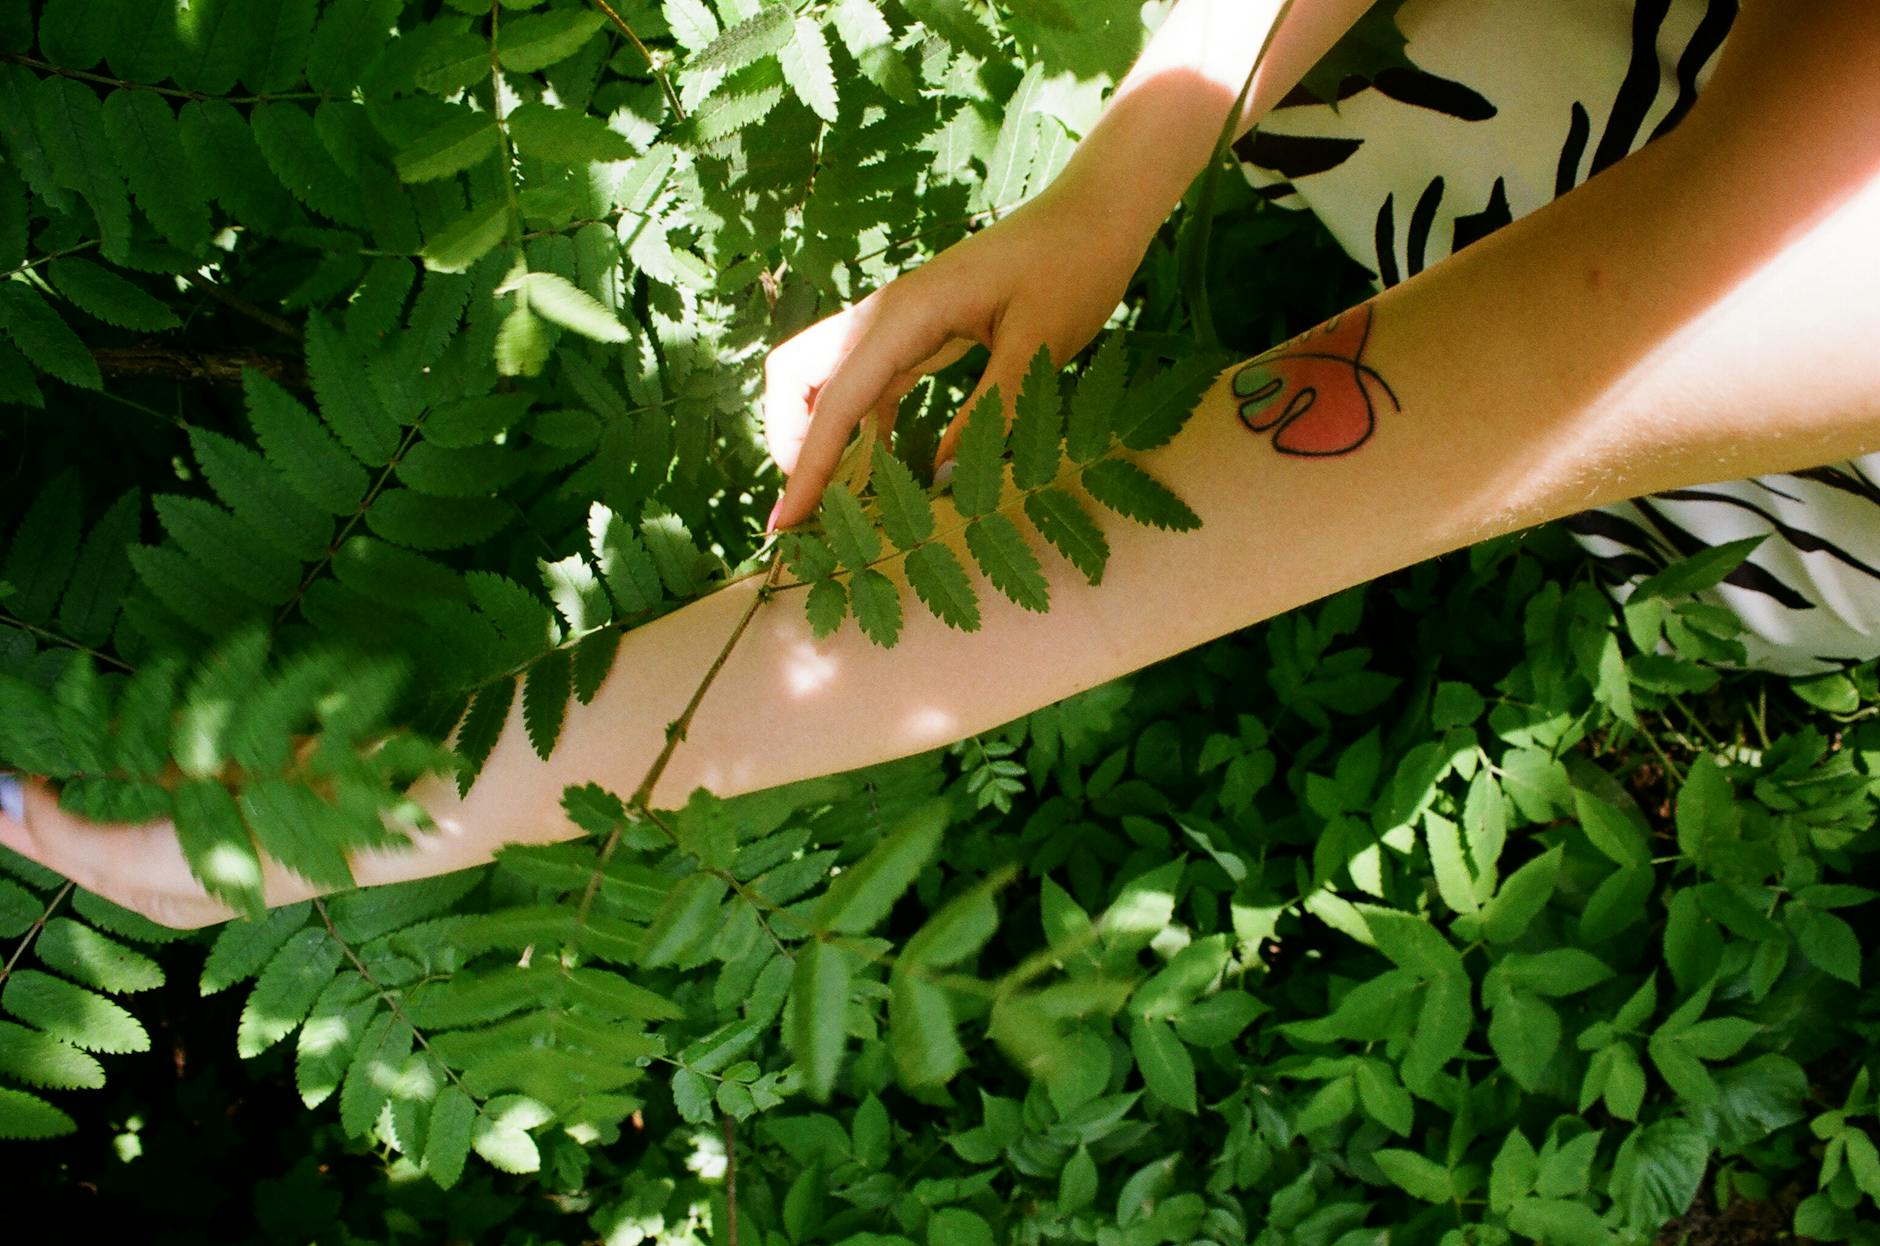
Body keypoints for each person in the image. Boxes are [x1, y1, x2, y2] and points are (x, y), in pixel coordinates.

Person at [3, 0, 1877, 928]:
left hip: (1764, 357)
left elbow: (1215, 506)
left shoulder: (1844, 247)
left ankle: (1700, 529)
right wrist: (1112, 184)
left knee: (1630, 409)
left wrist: (425, 795)